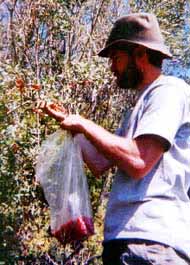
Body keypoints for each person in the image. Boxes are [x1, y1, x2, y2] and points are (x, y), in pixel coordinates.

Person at [38, 13, 190, 265]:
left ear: (140, 54)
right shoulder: (139, 107)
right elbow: (99, 162)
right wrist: (70, 123)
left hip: (152, 242)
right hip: (129, 241)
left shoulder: (169, 91)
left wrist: (84, 123)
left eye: (116, 59)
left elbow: (139, 161)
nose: (112, 68)